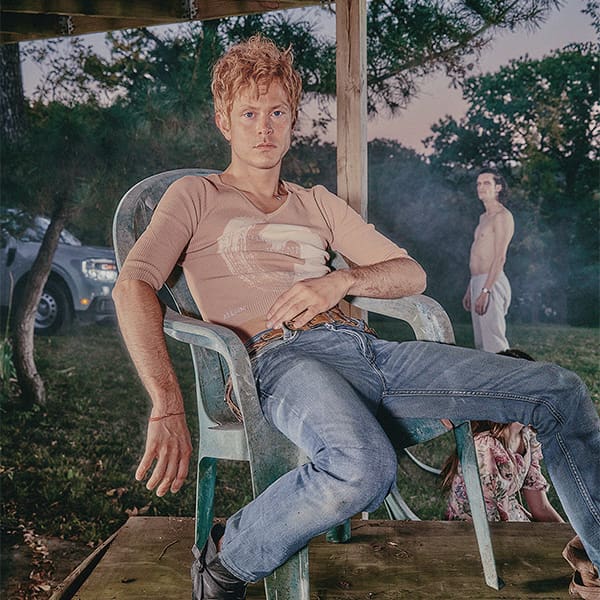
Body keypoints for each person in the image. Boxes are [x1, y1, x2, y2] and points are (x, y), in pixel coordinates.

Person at [112, 35, 600, 600]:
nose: (264, 128)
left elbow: (410, 273)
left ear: (293, 120)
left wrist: (339, 281)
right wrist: (167, 404)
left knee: (559, 391)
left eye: (277, 112)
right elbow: (133, 285)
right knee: (363, 467)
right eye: (248, 114)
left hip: (368, 351)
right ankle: (226, 560)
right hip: (275, 361)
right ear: (224, 122)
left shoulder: (316, 202)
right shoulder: (194, 195)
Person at [443, 419, 564, 523]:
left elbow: (541, 508)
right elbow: (491, 517)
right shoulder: (485, 448)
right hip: (477, 528)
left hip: (508, 516)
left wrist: (569, 535)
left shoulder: (526, 435)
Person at [462, 168, 514, 353]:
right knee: (482, 345)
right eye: (478, 183)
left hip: (491, 282)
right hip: (477, 281)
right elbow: (479, 254)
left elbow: (500, 257)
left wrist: (486, 290)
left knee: (495, 345)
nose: (481, 187)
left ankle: (508, 372)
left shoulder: (502, 216)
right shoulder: (483, 217)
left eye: (486, 183)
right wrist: (471, 288)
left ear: (498, 187)